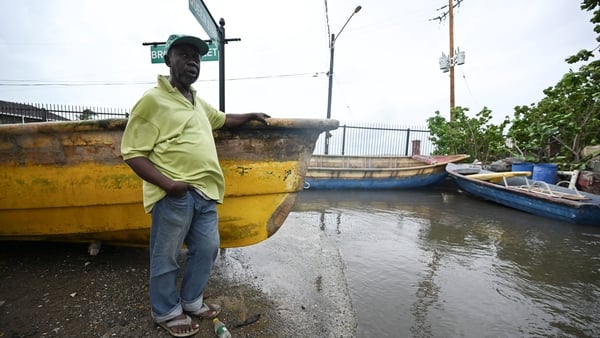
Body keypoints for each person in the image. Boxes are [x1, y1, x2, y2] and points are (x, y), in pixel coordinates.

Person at [121, 34, 270, 337]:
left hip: (206, 192)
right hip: (173, 192)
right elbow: (132, 152)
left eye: (197, 57)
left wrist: (251, 115)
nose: (192, 61)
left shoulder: (197, 102)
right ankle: (165, 311)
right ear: (168, 60)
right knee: (166, 255)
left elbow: (222, 119)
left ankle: (190, 301)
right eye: (184, 54)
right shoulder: (153, 99)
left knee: (207, 248)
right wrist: (169, 185)